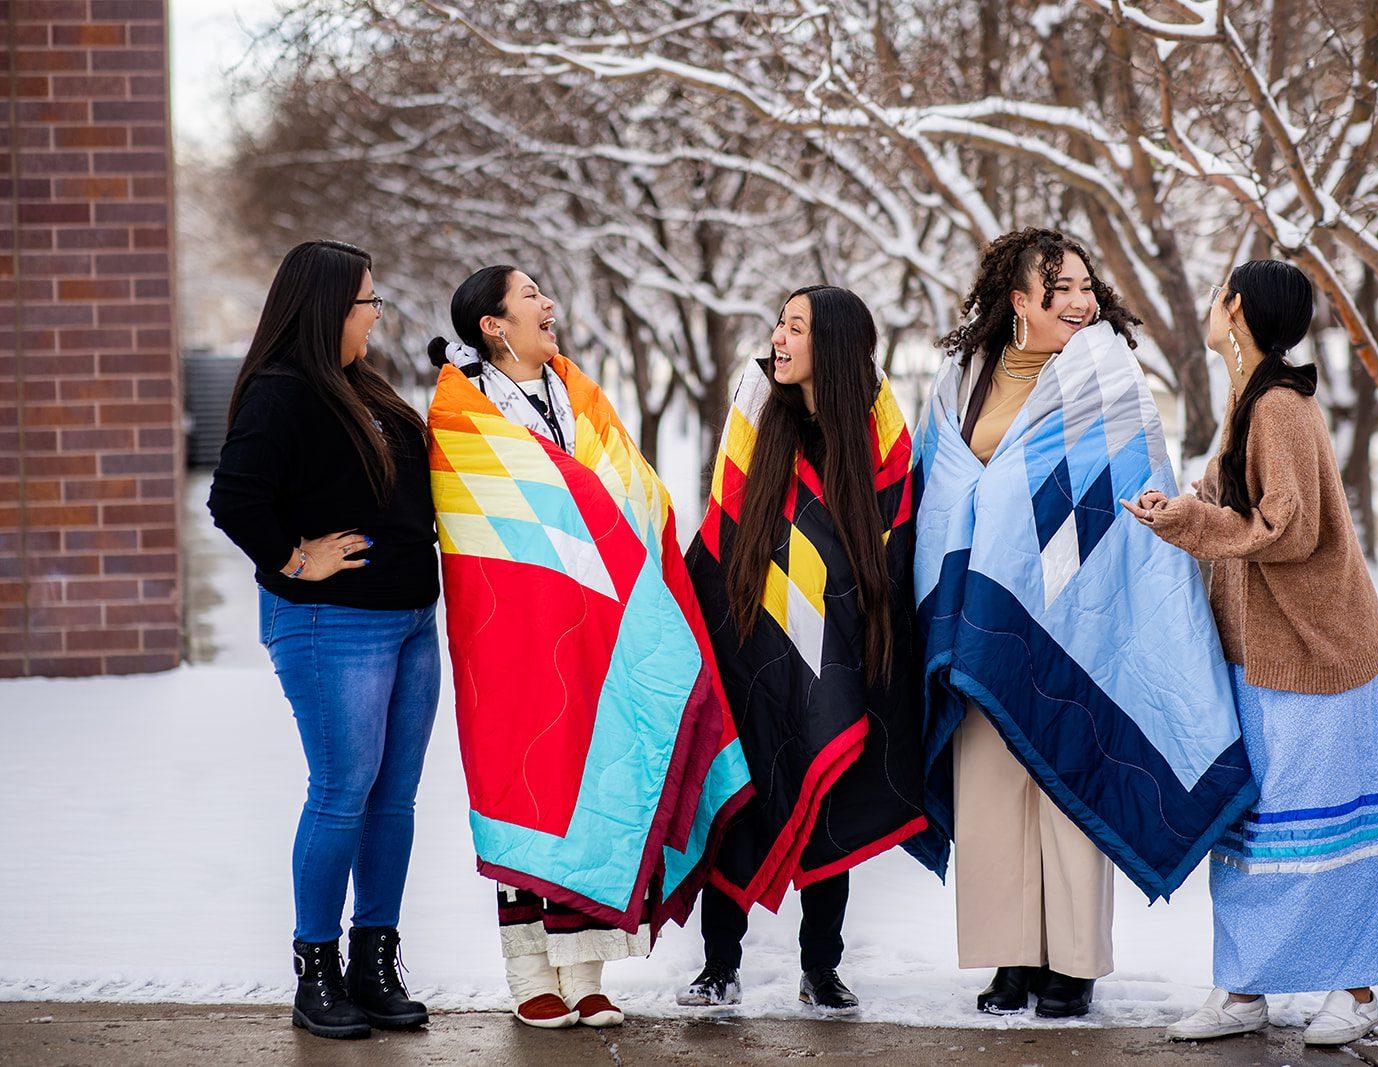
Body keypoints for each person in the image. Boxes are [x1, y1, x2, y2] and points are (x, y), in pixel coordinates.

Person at [911, 229, 1258, 1019]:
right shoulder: (963, 377)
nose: (1078, 301)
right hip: (979, 610)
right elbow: (939, 482)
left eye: (1084, 286)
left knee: (1067, 771)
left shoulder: (1106, 377)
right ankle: (1010, 958)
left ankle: (1070, 963)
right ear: (1019, 301)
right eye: (1058, 287)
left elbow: (1126, 489)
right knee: (991, 784)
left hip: (1077, 604)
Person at [426, 267, 750, 1031]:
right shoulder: (460, 414)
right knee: (527, 777)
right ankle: (530, 972)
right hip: (510, 629)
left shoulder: (579, 395)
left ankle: (587, 969)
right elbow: (482, 518)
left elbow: (624, 490)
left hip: (601, 620)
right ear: (492, 326)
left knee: (600, 768)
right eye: (530, 295)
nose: (549, 305)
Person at [1123, 259, 1378, 1047]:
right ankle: (1245, 991)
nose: (1211, 308)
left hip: (1320, 658)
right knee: (1255, 826)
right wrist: (1186, 507)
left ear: (1237, 309)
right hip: (1264, 658)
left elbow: (1289, 528)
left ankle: (1354, 991)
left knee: (1329, 829)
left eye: (1217, 296)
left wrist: (1192, 522)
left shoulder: (1279, 406)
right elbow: (1243, 511)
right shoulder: (1249, 401)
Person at [208, 240, 438, 1040]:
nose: (375, 314)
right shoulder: (283, 392)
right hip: (331, 623)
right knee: (343, 788)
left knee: (393, 795)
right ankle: (318, 968)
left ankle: (375, 960)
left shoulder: (361, 386)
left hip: (410, 620)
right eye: (366, 301)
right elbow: (234, 497)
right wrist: (295, 559)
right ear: (326, 308)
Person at [677, 285, 926, 1015]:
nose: (779, 340)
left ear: (837, 346)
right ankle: (718, 964)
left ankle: (822, 966)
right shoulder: (757, 415)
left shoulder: (879, 437)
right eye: (779, 325)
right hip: (751, 638)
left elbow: (896, 539)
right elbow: (723, 526)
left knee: (831, 797)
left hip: (841, 643)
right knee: (745, 800)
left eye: (796, 328)